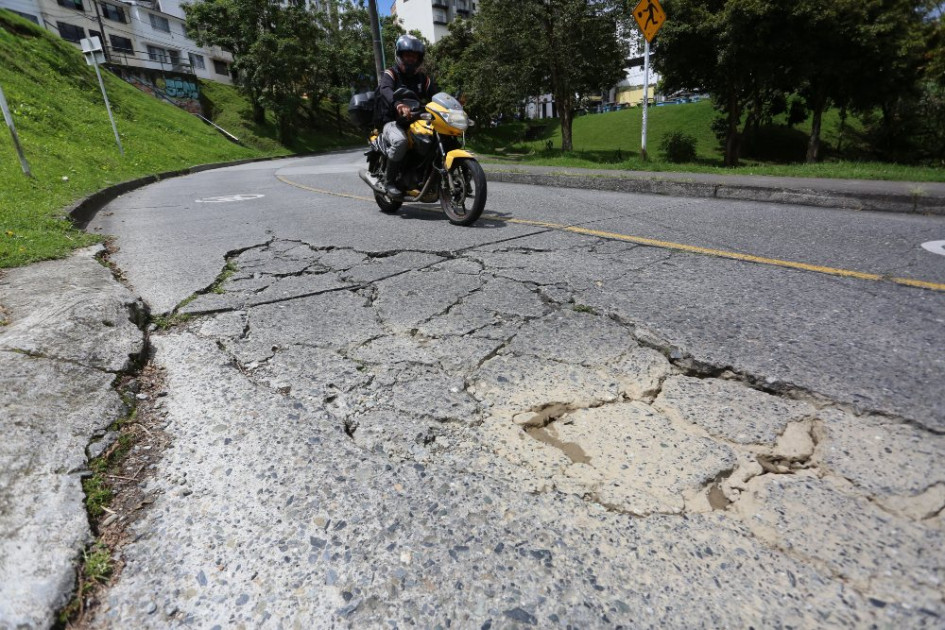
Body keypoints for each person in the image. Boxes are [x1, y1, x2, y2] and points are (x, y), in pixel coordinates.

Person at [376, 34, 439, 198]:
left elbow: (437, 94)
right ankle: (389, 182)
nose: (411, 59)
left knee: (435, 138)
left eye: (414, 56)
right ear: (400, 56)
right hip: (393, 122)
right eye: (407, 55)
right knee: (401, 141)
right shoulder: (391, 73)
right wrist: (397, 104)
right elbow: (385, 90)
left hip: (416, 121)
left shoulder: (422, 79)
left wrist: (454, 103)